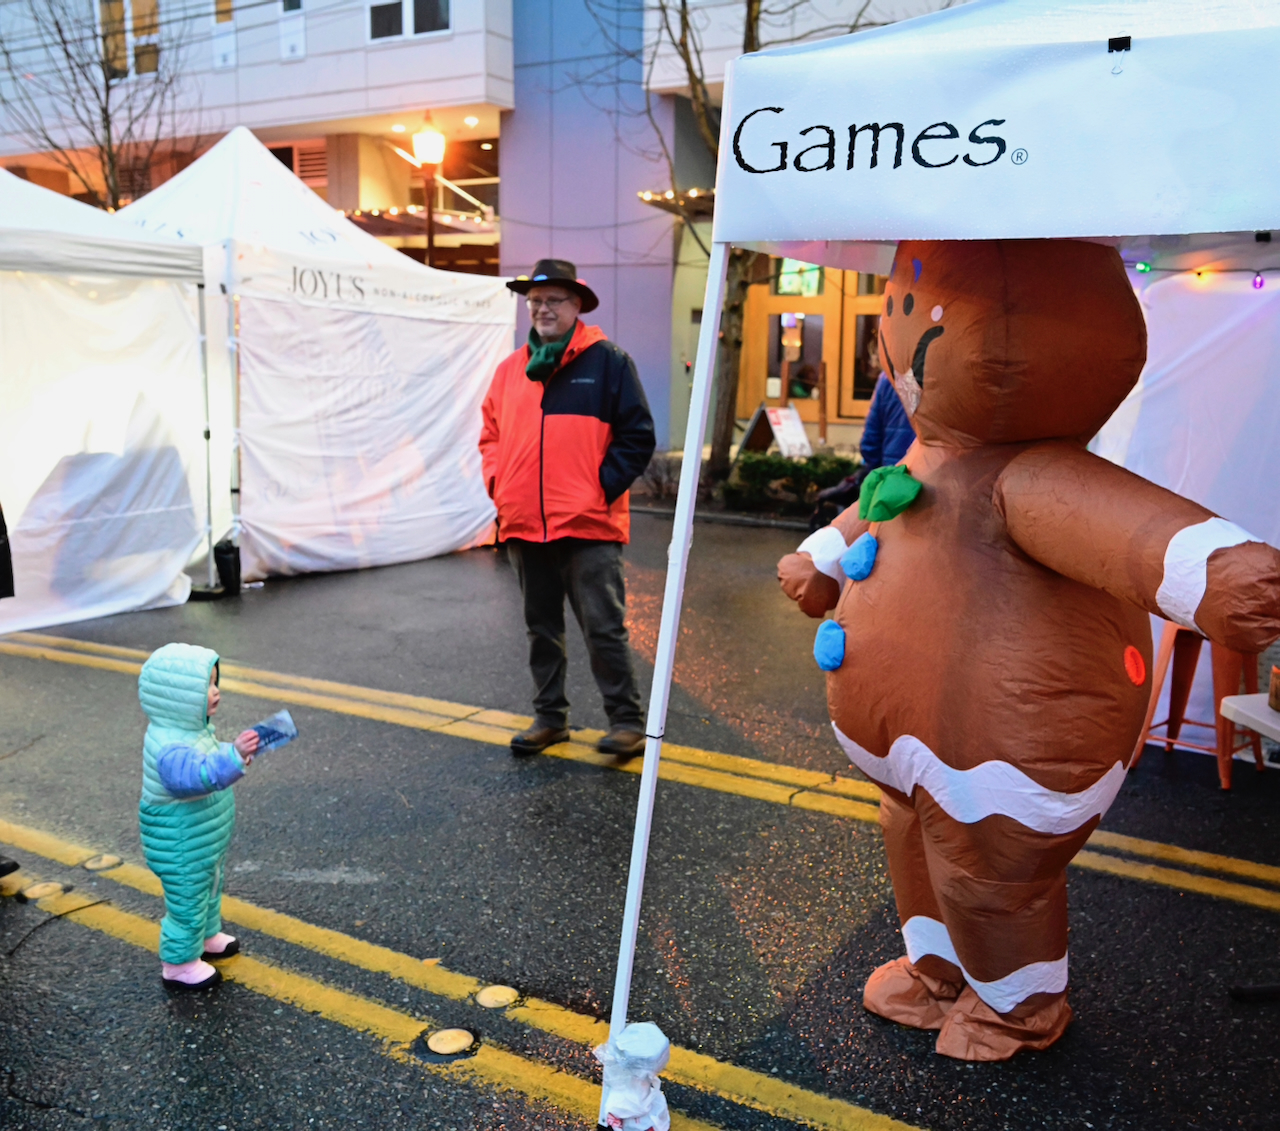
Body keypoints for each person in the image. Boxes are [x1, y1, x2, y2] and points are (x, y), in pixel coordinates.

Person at [480, 258, 656, 759]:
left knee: (603, 627)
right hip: (524, 523)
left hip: (588, 522)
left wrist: (597, 490)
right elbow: (489, 435)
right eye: (535, 301)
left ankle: (626, 721)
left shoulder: (607, 362)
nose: (541, 309)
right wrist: (499, 485)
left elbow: (638, 435)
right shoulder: (510, 372)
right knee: (541, 630)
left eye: (553, 300)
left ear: (576, 305)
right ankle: (550, 718)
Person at [138, 643, 260, 990]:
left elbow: (207, 756)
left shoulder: (192, 732)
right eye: (206, 685)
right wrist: (232, 759)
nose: (215, 691)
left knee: (208, 888)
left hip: (200, 839)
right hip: (180, 840)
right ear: (177, 697)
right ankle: (178, 964)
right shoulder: (168, 745)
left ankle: (206, 938)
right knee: (188, 899)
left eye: (215, 682)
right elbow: (192, 778)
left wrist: (234, 754)